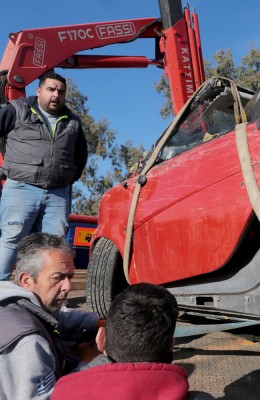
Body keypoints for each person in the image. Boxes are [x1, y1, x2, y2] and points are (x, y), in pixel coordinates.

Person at [0, 70, 88, 281]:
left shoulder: (73, 122)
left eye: (61, 91)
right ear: (39, 91)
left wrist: (67, 178)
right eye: (50, 89)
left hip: (57, 194)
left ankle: (44, 297)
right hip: (21, 188)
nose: (56, 95)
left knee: (52, 246)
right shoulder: (17, 110)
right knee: (11, 239)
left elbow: (81, 155)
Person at [0, 233, 101, 399]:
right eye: (58, 278)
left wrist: (99, 323)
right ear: (26, 280)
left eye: (70, 277)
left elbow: (56, 317)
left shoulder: (14, 301)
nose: (68, 286)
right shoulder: (27, 343)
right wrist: (89, 363)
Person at [52, 283, 189, 400]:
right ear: (171, 344)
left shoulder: (62, 392)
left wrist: (83, 366)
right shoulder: (193, 396)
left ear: (101, 340)